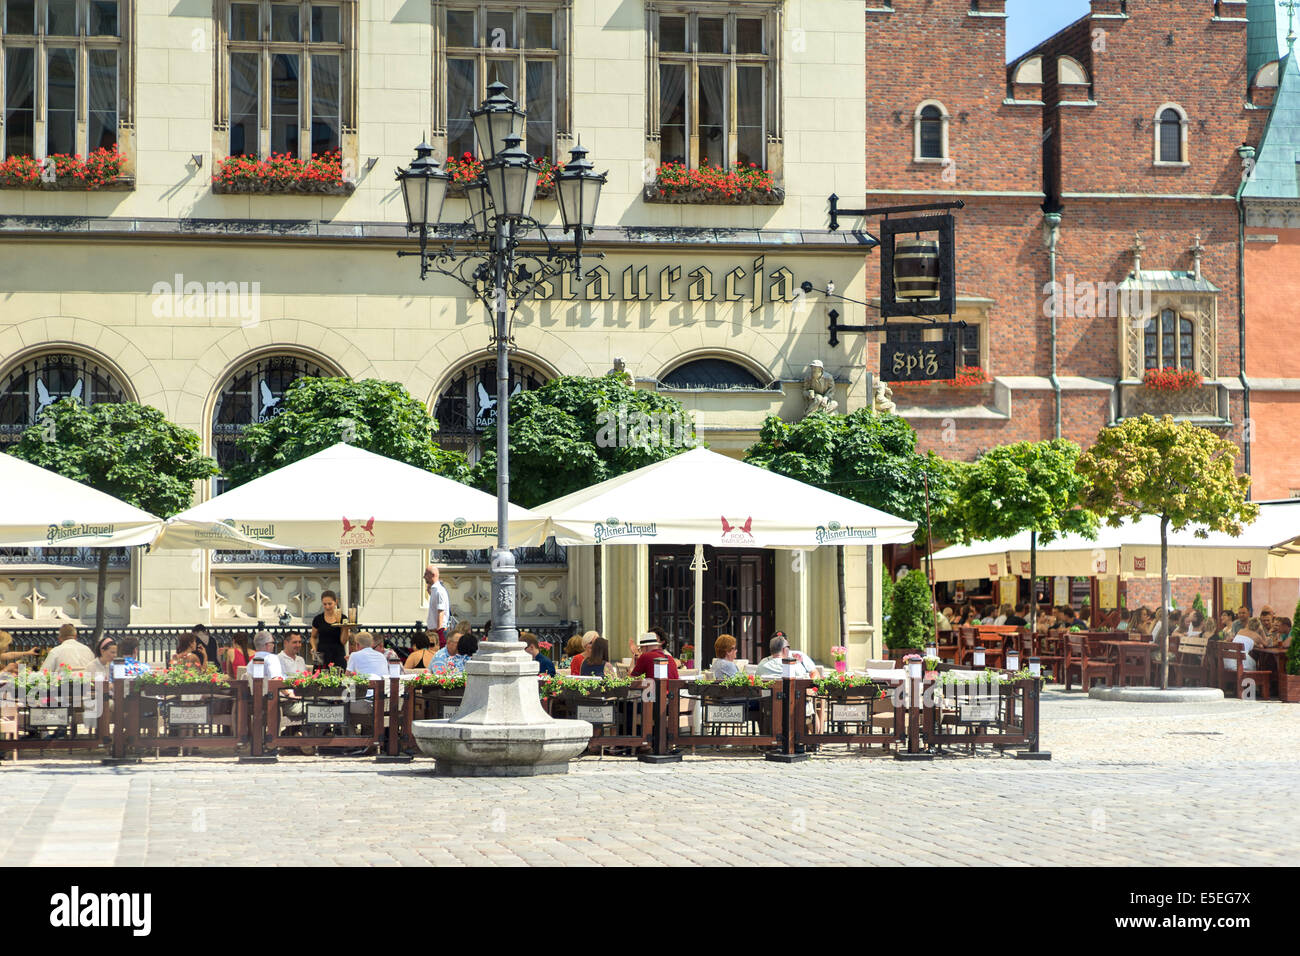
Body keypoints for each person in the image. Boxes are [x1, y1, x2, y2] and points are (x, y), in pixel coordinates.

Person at [756, 633, 821, 679]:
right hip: (793, 697)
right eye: (788, 647)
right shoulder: (794, 667)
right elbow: (803, 677)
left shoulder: (762, 664)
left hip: (769, 698)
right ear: (784, 649)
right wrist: (797, 662)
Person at [311, 590, 347, 670]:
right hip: (321, 654)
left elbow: (343, 641)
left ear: (336, 602)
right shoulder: (318, 619)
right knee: (319, 678)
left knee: (338, 677)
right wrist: (314, 648)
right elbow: (313, 637)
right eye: (325, 604)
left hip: (338, 654)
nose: (327, 607)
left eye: (330, 604)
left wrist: (345, 629)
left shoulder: (343, 618)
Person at [424, 565, 451, 647]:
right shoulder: (435, 590)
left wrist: (438, 634)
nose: (424, 577)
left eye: (426, 574)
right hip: (434, 631)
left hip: (438, 631)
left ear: (433, 575)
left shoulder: (439, 591)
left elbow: (441, 612)